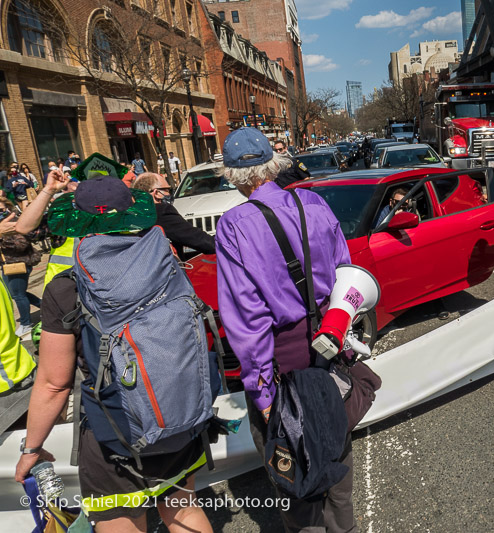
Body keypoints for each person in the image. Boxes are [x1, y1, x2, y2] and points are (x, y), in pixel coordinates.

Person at [15, 177, 214, 533]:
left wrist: (32, 448)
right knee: (183, 510)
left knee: (121, 522)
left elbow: (53, 384)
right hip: (180, 416)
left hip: (114, 432)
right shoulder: (165, 261)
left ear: (79, 221)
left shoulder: (66, 287)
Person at [214, 127, 356, 532]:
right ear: (273, 163)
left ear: (233, 175)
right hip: (330, 341)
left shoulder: (234, 225)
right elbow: (347, 274)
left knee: (293, 470)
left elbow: (247, 318)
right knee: (337, 452)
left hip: (283, 357)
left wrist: (260, 390)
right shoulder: (311, 201)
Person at [131, 172, 215, 257]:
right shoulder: (161, 212)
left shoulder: (130, 214)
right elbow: (203, 242)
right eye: (168, 190)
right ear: (157, 193)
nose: (170, 194)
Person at [0, 197, 42, 337]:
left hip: (19, 263)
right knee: (16, 294)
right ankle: (44, 306)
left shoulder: (15, 221)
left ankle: (26, 324)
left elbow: (22, 244)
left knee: (18, 294)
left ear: (6, 207)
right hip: (6, 265)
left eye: (0, 209)